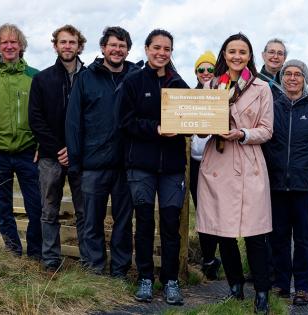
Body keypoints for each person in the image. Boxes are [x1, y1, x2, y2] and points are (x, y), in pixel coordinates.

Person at [196, 33, 273, 315]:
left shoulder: (261, 88)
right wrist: (206, 127)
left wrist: (242, 133)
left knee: (255, 234)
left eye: (242, 52)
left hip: (249, 161)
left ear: (249, 56)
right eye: (232, 51)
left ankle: (262, 292)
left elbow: (267, 130)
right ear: (224, 54)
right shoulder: (210, 86)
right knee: (223, 231)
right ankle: (235, 287)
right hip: (218, 161)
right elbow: (199, 127)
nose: (237, 56)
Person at [118, 29, 189, 305]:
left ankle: (171, 280)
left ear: (171, 52)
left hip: (172, 167)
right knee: (145, 222)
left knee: (171, 224)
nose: (161, 53)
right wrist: (156, 128)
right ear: (147, 49)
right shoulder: (133, 81)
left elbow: (191, 120)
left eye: (167, 49)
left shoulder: (179, 84)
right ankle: (145, 278)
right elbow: (125, 122)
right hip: (141, 165)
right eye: (156, 47)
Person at [66, 26, 138, 278]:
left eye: (122, 45)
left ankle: (119, 271)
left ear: (128, 49)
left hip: (126, 164)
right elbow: (74, 123)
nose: (117, 50)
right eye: (113, 45)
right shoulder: (86, 79)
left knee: (123, 222)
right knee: (91, 221)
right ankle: (94, 271)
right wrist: (75, 163)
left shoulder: (135, 77)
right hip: (92, 164)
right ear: (103, 48)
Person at [262, 59, 308, 305]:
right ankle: (282, 283)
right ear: (282, 78)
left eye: (298, 74)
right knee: (278, 237)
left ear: (305, 79)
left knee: (303, 238)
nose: (292, 78)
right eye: (288, 74)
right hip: (276, 185)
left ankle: (302, 286)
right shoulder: (271, 108)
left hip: (305, 187)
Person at [0, 23, 42, 260]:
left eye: (14, 42)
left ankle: (35, 256)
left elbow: (45, 114)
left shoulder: (35, 77)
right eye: (5, 42)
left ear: (21, 45)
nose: (10, 46)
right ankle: (13, 254)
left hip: (28, 152)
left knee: (36, 208)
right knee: (4, 209)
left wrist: (42, 145)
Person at [28, 24, 86, 272]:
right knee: (49, 209)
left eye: (72, 42)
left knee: (84, 211)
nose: (67, 46)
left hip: (81, 156)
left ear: (79, 45)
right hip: (51, 157)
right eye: (63, 42)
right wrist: (60, 148)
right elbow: (35, 119)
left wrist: (75, 149)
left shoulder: (90, 76)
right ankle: (51, 259)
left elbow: (94, 117)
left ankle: (87, 260)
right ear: (55, 45)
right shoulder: (42, 79)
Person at [190, 51, 220, 280]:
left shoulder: (224, 94)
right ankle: (208, 258)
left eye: (211, 69)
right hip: (193, 163)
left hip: (217, 161)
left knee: (217, 212)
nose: (206, 73)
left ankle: (217, 257)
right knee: (201, 210)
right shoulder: (189, 96)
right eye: (202, 69)